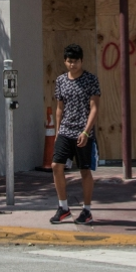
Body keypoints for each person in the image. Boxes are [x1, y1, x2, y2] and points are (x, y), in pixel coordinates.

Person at [50, 43, 100, 224]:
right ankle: (63, 207)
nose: (73, 65)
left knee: (84, 170)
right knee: (56, 166)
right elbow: (59, 108)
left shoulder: (91, 80)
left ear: (82, 61)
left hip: (83, 132)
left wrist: (86, 132)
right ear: (65, 61)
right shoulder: (61, 81)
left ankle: (86, 210)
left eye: (76, 61)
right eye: (69, 61)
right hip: (65, 130)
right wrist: (57, 132)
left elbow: (94, 108)